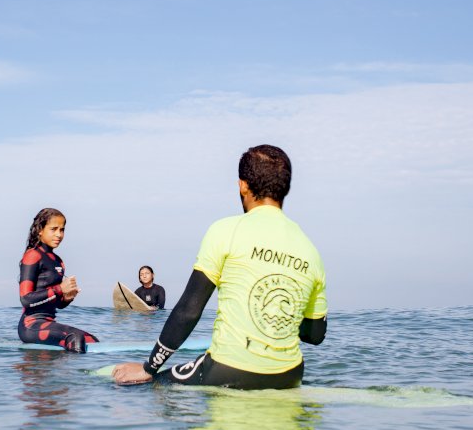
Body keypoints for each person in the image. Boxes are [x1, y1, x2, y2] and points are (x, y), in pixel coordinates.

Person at [112, 144, 327, 389]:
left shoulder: (225, 230)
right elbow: (315, 334)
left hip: (228, 370)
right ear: (286, 187)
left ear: (242, 185)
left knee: (145, 386)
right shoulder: (310, 250)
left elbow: (189, 310)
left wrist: (149, 367)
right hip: (290, 376)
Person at [18, 208, 98, 352]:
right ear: (40, 230)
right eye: (53, 229)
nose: (59, 234)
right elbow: (25, 299)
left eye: (62, 230)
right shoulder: (32, 255)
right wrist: (60, 289)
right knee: (75, 337)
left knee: (92, 340)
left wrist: (67, 298)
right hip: (31, 325)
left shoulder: (58, 261)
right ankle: (75, 375)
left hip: (48, 322)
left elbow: (57, 304)